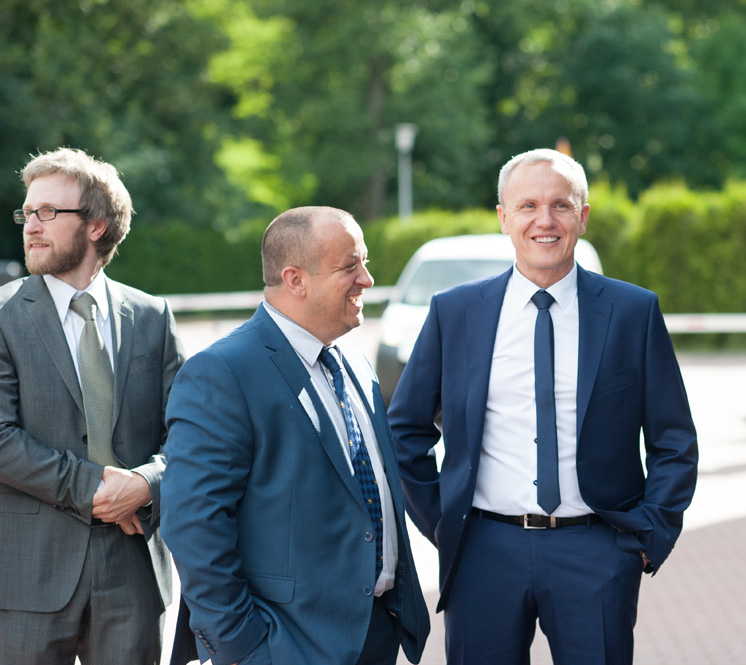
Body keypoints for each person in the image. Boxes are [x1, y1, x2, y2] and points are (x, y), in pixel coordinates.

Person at [387, 148, 698, 664]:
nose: (545, 220)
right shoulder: (455, 312)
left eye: (561, 205)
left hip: (597, 552)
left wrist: (648, 535)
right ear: (503, 217)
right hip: (484, 553)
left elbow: (674, 439)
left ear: (583, 216)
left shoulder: (632, 312)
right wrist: (444, 523)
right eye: (528, 206)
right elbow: (404, 431)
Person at [161, 206, 430, 665]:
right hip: (284, 644)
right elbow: (193, 525)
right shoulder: (222, 372)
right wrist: (244, 650)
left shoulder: (354, 363)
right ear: (295, 279)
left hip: (375, 635)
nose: (366, 279)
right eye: (349, 266)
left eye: (365, 263)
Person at [0, 147, 184, 663]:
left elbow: (193, 434)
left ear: (97, 225)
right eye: (27, 213)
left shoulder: (152, 316)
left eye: (47, 212)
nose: (31, 226)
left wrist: (146, 483)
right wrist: (97, 491)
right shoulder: (3, 316)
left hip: (133, 573)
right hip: (27, 577)